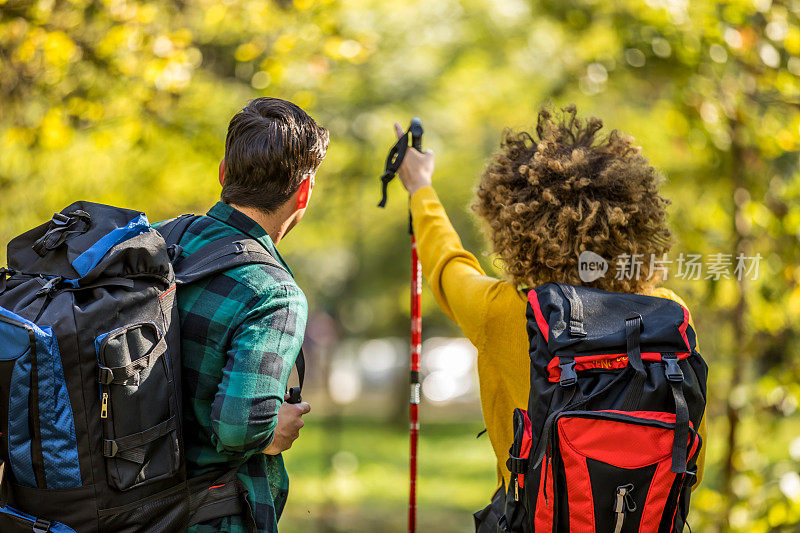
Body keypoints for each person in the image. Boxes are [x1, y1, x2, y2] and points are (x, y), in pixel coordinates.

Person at [392, 105, 707, 515]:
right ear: (639, 222)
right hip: (642, 515)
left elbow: (447, 263)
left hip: (531, 515)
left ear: (513, 227)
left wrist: (420, 188)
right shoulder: (669, 314)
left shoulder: (506, 312)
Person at [160, 97, 327, 533]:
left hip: (130, 507)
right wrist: (275, 426)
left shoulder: (159, 240)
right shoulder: (273, 294)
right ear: (304, 191)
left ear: (222, 174)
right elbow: (239, 430)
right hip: (210, 517)